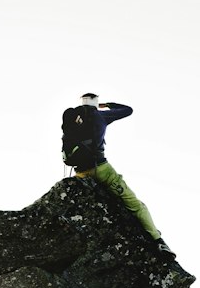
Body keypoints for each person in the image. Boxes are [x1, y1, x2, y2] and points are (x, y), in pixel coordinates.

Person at [61, 93, 164, 243]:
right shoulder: (100, 116)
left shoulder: (70, 116)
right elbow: (127, 110)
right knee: (136, 205)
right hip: (102, 169)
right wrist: (107, 105)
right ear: (95, 102)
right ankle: (157, 240)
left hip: (80, 172)